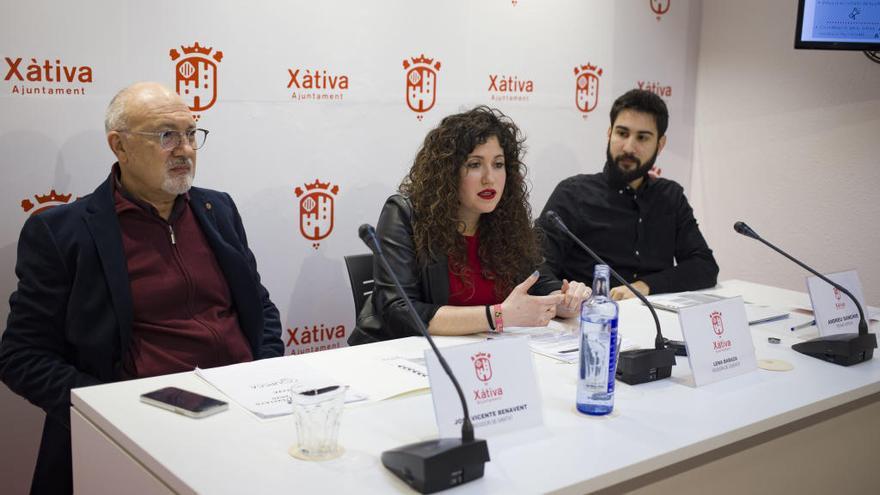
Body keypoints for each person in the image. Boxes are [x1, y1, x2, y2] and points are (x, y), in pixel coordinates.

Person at [0, 82, 283, 494]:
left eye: (191, 133)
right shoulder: (63, 232)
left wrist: (263, 377)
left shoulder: (217, 209)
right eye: (166, 135)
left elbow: (261, 309)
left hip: (242, 417)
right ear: (120, 146)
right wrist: (114, 413)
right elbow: (21, 356)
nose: (185, 149)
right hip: (141, 430)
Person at [349, 106, 590, 345]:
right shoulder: (405, 214)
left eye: (498, 164)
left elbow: (540, 282)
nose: (490, 177)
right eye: (475, 164)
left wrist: (565, 300)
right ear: (447, 172)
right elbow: (399, 311)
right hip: (404, 359)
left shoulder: (505, 221)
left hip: (480, 355)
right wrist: (497, 316)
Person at [539, 89, 718, 301]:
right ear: (609, 133)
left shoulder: (671, 197)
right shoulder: (572, 194)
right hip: (589, 322)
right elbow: (536, 266)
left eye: (642, 138)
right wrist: (563, 297)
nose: (629, 147)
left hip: (656, 322)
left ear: (660, 145)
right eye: (622, 133)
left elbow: (704, 266)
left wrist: (645, 286)